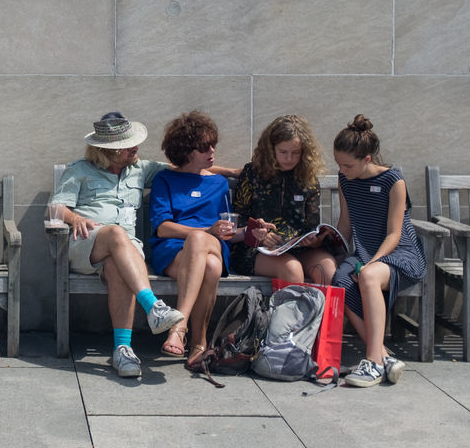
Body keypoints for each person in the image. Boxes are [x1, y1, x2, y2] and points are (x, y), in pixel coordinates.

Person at [51, 112, 185, 380]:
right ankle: (153, 306)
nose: (135, 148)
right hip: (86, 244)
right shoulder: (80, 169)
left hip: (126, 252)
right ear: (106, 152)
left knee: (117, 265)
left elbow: (183, 169)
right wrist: (75, 217)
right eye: (127, 146)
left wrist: (232, 173)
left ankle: (122, 350)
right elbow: (55, 209)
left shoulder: (141, 168)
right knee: (114, 233)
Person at [330, 115, 426, 388]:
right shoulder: (345, 179)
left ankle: (372, 362)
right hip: (364, 253)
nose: (343, 169)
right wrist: (334, 249)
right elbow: (345, 223)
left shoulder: (394, 181)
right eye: (339, 163)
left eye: (348, 164)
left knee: (368, 276)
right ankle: (385, 358)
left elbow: (395, 234)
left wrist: (372, 262)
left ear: (367, 159)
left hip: (400, 254)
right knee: (340, 282)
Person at [145, 111, 236, 370]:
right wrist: (205, 231)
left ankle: (179, 325)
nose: (212, 151)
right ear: (186, 151)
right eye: (204, 147)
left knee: (202, 244)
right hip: (174, 250)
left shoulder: (219, 183)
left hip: (215, 245)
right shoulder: (165, 179)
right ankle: (199, 344)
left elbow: (227, 225)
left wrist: (233, 231)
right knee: (210, 266)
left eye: (213, 145)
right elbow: (162, 229)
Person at [231, 115, 339, 286]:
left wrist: (314, 240)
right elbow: (239, 217)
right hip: (255, 249)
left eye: (295, 153)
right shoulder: (253, 173)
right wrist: (259, 235)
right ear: (271, 148)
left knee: (327, 270)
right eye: (283, 152)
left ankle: (323, 314)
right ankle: (289, 313)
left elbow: (311, 225)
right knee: (292, 269)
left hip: (298, 248)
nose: (289, 158)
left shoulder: (307, 178)